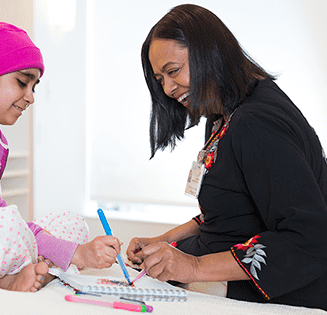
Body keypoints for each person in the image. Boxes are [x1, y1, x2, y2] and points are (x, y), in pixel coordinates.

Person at [126, 4, 327, 311]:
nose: (167, 88)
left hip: (281, 293)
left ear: (209, 53)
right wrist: (166, 240)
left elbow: (307, 237)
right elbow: (233, 208)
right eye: (159, 79)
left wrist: (192, 267)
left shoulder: (255, 122)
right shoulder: (225, 112)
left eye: (173, 71)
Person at [0, 22, 121, 292]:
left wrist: (68, 247)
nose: (30, 97)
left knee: (70, 222)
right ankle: (23, 274)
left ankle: (35, 272)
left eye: (34, 87)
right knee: (5, 222)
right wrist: (77, 254)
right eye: (21, 83)